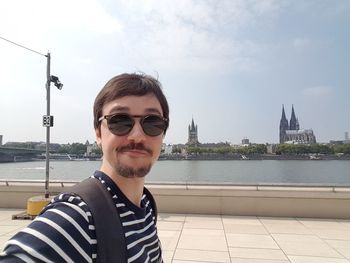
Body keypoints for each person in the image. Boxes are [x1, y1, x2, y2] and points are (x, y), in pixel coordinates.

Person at [0, 73, 169, 262]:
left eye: (152, 122)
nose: (137, 135)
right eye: (120, 121)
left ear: (163, 134)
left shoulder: (146, 206)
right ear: (98, 133)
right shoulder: (78, 217)